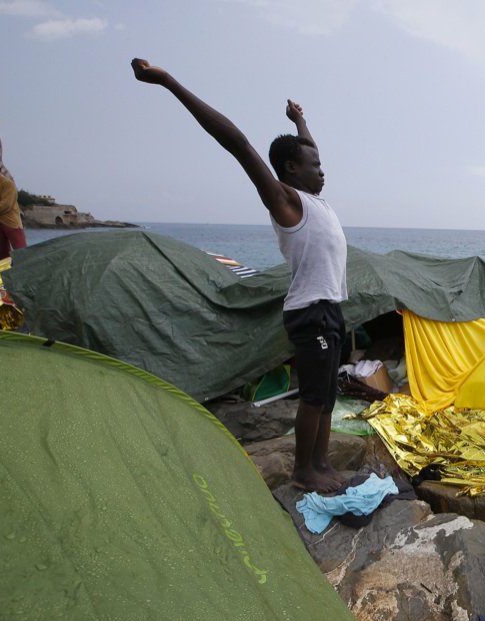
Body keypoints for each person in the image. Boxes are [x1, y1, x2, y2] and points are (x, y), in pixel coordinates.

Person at [132, 58, 350, 493]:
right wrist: (169, 82)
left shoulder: (315, 199)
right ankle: (304, 470)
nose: (322, 169)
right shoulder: (286, 201)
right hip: (310, 311)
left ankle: (321, 462)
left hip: (330, 308)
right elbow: (236, 143)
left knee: (327, 394)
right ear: (290, 170)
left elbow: (304, 146)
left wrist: (300, 120)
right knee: (312, 395)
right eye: (314, 164)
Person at [0, 158, 27, 261]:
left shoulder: (7, 184)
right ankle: (7, 273)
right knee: (1, 253)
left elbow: (6, 205)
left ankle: (25, 271)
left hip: (11, 222)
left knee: (20, 251)